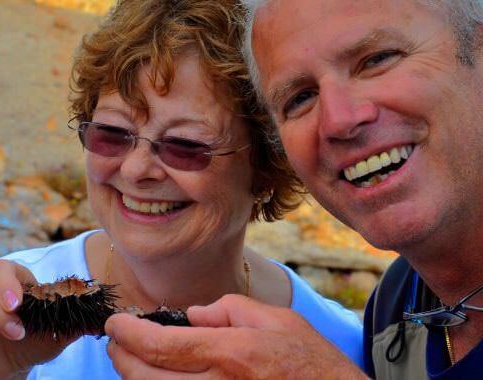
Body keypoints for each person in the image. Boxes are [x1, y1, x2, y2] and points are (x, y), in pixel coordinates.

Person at [0, 1, 366, 379]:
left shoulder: (339, 349)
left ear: (265, 164)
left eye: (186, 145)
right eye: (111, 133)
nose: (137, 168)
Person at [105, 0, 483, 378]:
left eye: (377, 60)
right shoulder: (394, 309)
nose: (338, 120)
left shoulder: (347, 336)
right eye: (299, 98)